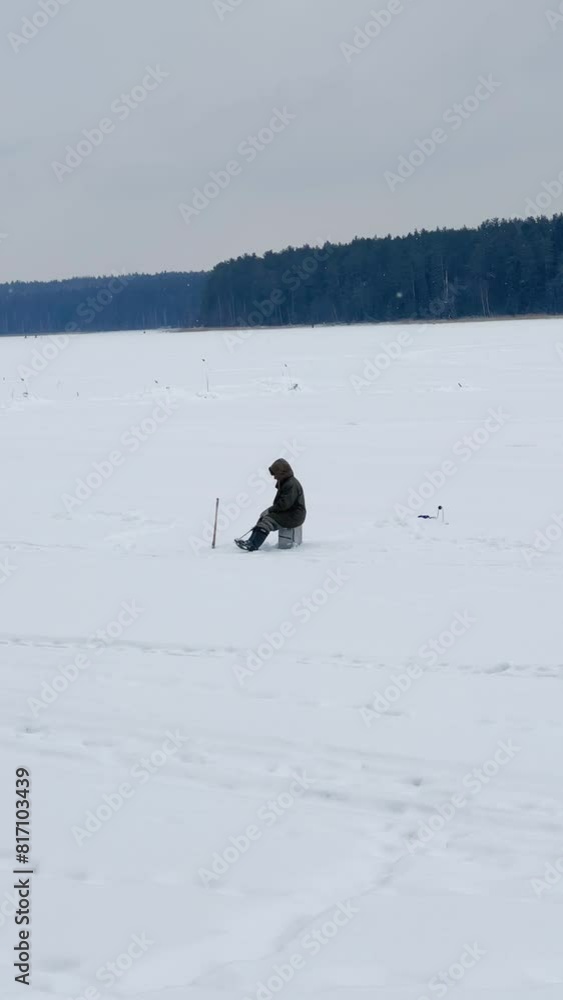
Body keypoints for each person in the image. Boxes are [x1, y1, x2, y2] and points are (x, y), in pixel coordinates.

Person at [236, 459, 306, 551]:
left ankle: (253, 545)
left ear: (282, 473)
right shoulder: (286, 481)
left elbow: (284, 504)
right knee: (264, 518)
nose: (274, 477)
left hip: (295, 515)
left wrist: (269, 510)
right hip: (288, 513)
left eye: (275, 474)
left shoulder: (291, 484)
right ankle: (250, 541)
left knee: (268, 521)